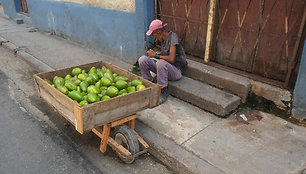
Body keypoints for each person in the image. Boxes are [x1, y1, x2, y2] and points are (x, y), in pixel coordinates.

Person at [138, 19, 187, 104]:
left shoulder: (173, 37)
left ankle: (163, 91)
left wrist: (155, 56)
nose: (154, 37)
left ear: (158, 33)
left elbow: (172, 58)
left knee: (160, 62)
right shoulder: (162, 39)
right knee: (142, 59)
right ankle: (148, 83)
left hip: (175, 71)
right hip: (165, 68)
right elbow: (165, 53)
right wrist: (155, 54)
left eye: (153, 34)